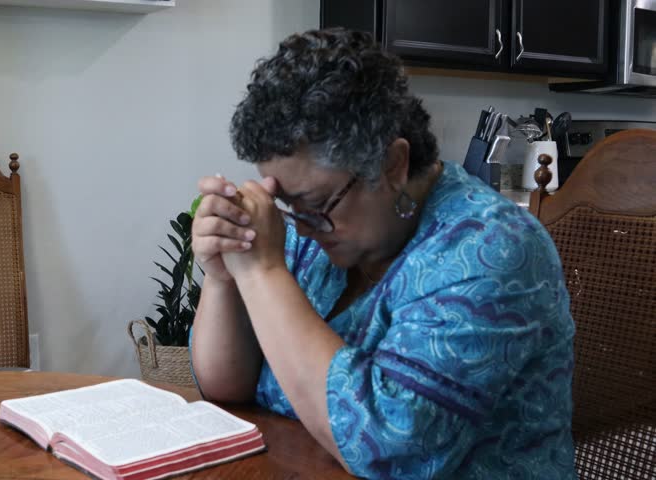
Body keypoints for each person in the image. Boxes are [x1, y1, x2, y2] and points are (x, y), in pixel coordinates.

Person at [189, 28, 576, 479]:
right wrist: (224, 276)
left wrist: (263, 273)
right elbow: (225, 387)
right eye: (287, 205)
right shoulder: (316, 235)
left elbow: (386, 451)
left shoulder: (490, 249)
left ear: (392, 165)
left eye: (315, 204)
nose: (303, 228)